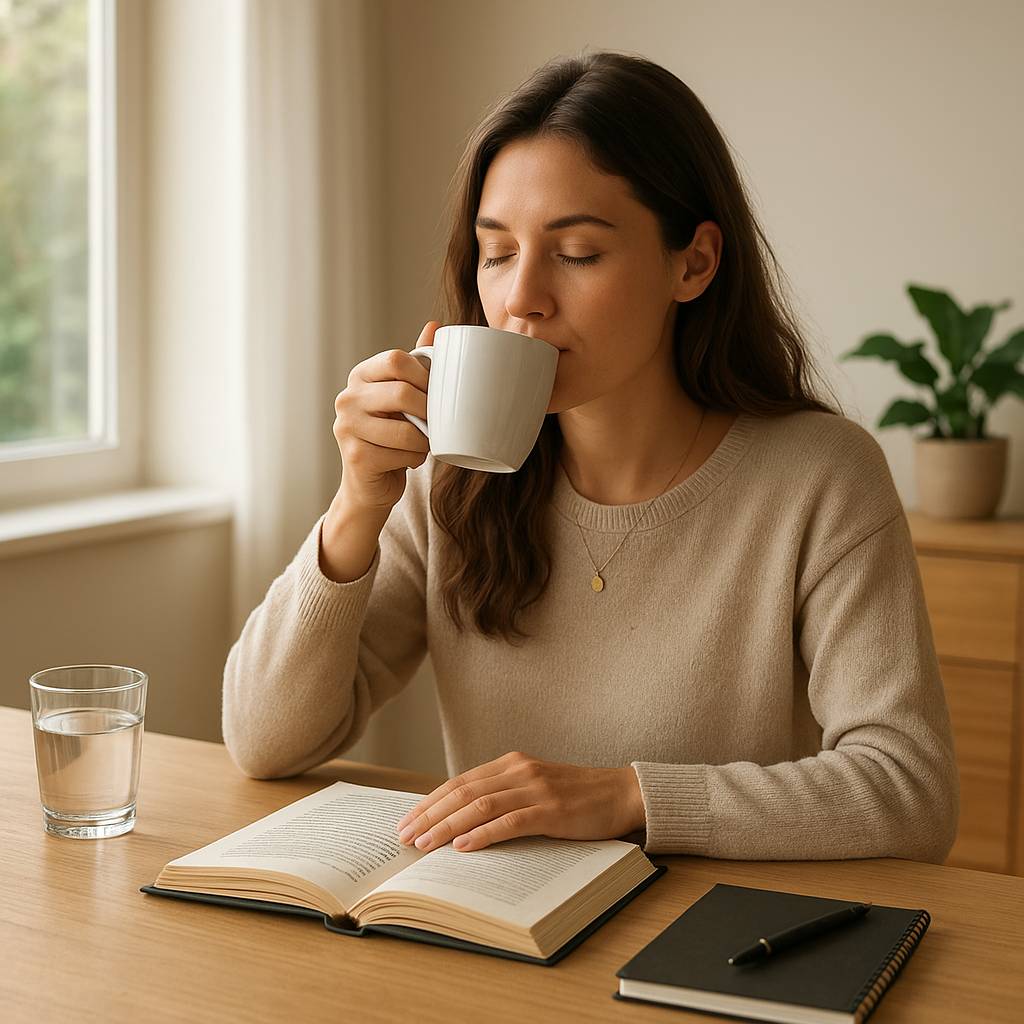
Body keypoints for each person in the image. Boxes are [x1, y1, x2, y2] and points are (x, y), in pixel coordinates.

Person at [222, 50, 959, 863]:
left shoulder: (819, 477)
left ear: (695, 263)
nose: (520, 298)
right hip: (501, 934)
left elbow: (908, 790)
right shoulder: (450, 479)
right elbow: (264, 741)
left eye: (575, 253)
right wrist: (356, 505)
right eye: (496, 253)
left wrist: (626, 796)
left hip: (713, 948)